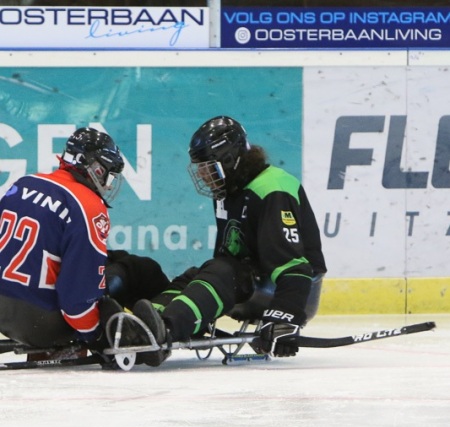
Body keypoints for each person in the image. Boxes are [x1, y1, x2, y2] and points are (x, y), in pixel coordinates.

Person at [131, 115, 327, 366]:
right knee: (195, 275)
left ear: (229, 160)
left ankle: (166, 329)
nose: (202, 174)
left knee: (224, 271)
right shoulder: (227, 190)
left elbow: (294, 265)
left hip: (290, 290)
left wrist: (285, 316)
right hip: (251, 279)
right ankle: (148, 324)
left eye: (206, 166)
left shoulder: (273, 188)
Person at [0, 127, 168, 356]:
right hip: (45, 325)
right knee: (139, 269)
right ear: (96, 168)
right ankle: (164, 326)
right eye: (108, 173)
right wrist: (95, 336)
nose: (109, 184)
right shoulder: (87, 204)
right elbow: (76, 297)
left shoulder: (22, 184)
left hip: (2, 315)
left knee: (115, 258)